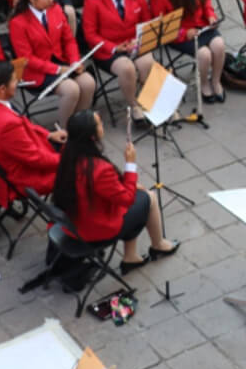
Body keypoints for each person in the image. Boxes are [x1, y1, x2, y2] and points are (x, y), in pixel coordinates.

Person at [52, 110, 178, 271]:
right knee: (149, 198)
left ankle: (131, 257)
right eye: (99, 124)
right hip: (94, 229)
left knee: (138, 196)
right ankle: (159, 244)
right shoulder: (99, 169)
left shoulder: (68, 152)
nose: (102, 125)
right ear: (92, 136)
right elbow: (126, 199)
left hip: (74, 220)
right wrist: (130, 165)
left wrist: (127, 184)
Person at [0, 60, 66, 245]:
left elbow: (23, 125)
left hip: (3, 163)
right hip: (21, 175)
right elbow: (35, 159)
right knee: (81, 169)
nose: (17, 82)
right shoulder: (7, 125)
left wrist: (48, 134)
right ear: (2, 89)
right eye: (14, 80)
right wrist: (65, 160)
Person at [8, 0, 96, 123]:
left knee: (88, 83)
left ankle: (80, 124)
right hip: (38, 72)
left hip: (62, 63)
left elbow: (68, 40)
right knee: (71, 90)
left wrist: (74, 60)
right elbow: (27, 58)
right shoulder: (18, 22)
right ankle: (65, 129)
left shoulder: (56, 10)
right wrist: (57, 69)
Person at [150, 0, 226, 103]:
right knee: (204, 54)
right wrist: (184, 33)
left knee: (219, 45)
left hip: (201, 26)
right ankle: (204, 84)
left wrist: (211, 16)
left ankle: (216, 81)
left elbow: (206, 2)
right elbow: (163, 27)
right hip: (180, 35)